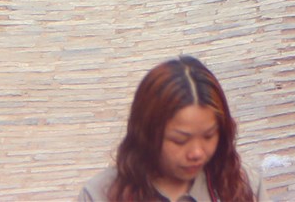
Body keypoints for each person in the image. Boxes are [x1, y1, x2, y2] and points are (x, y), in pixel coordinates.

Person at [78, 56, 266, 202]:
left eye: (209, 136)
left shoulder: (242, 187)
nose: (196, 152)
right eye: (180, 140)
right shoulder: (99, 195)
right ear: (148, 133)